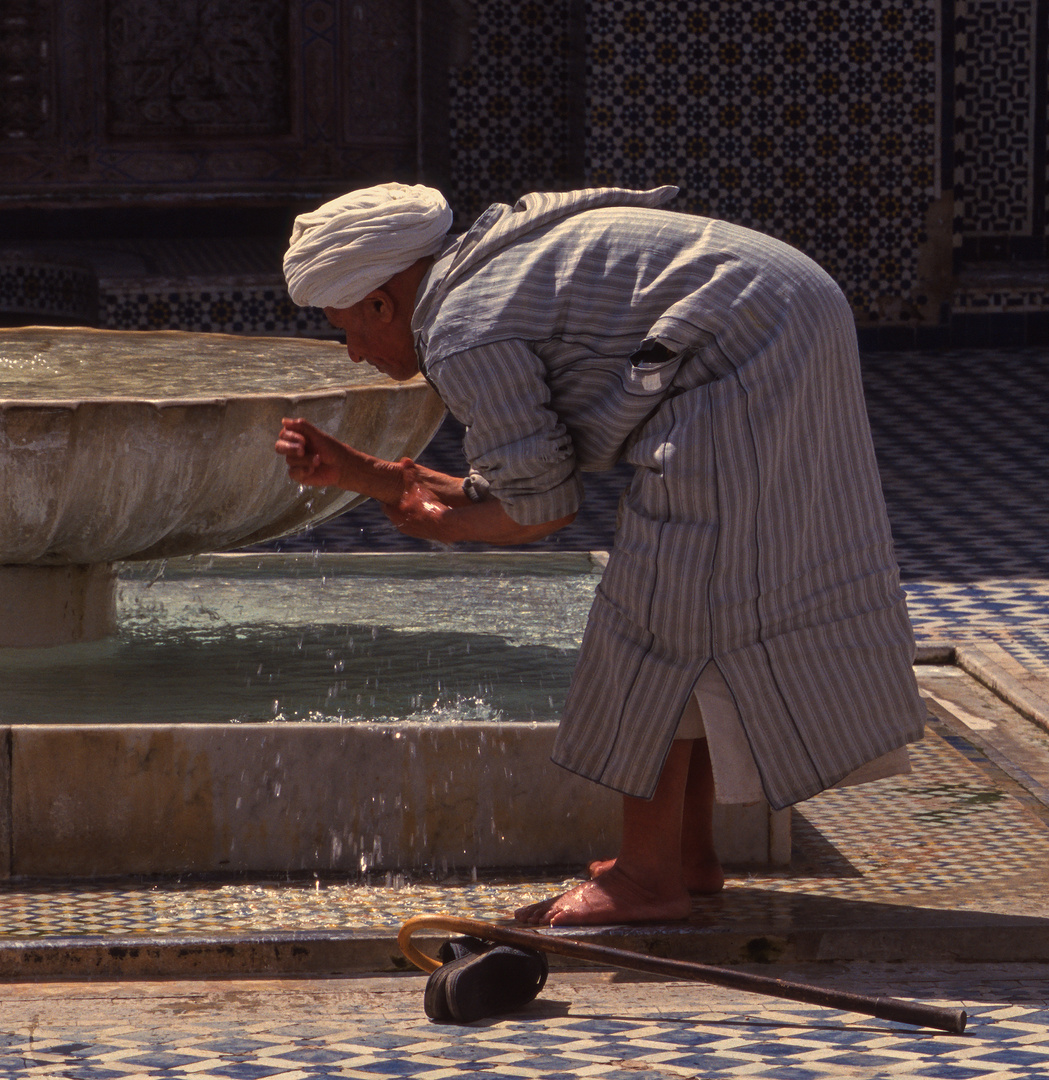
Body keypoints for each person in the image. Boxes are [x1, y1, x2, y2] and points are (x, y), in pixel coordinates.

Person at [273, 183, 925, 926]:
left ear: (384, 303)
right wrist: (371, 478)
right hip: (781, 316)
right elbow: (518, 481)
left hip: (747, 349)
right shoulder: (478, 279)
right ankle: (684, 855)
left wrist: (443, 528)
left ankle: (647, 880)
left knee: (654, 618)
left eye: (348, 329)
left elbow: (540, 510)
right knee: (705, 612)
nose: (355, 353)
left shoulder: (459, 326)